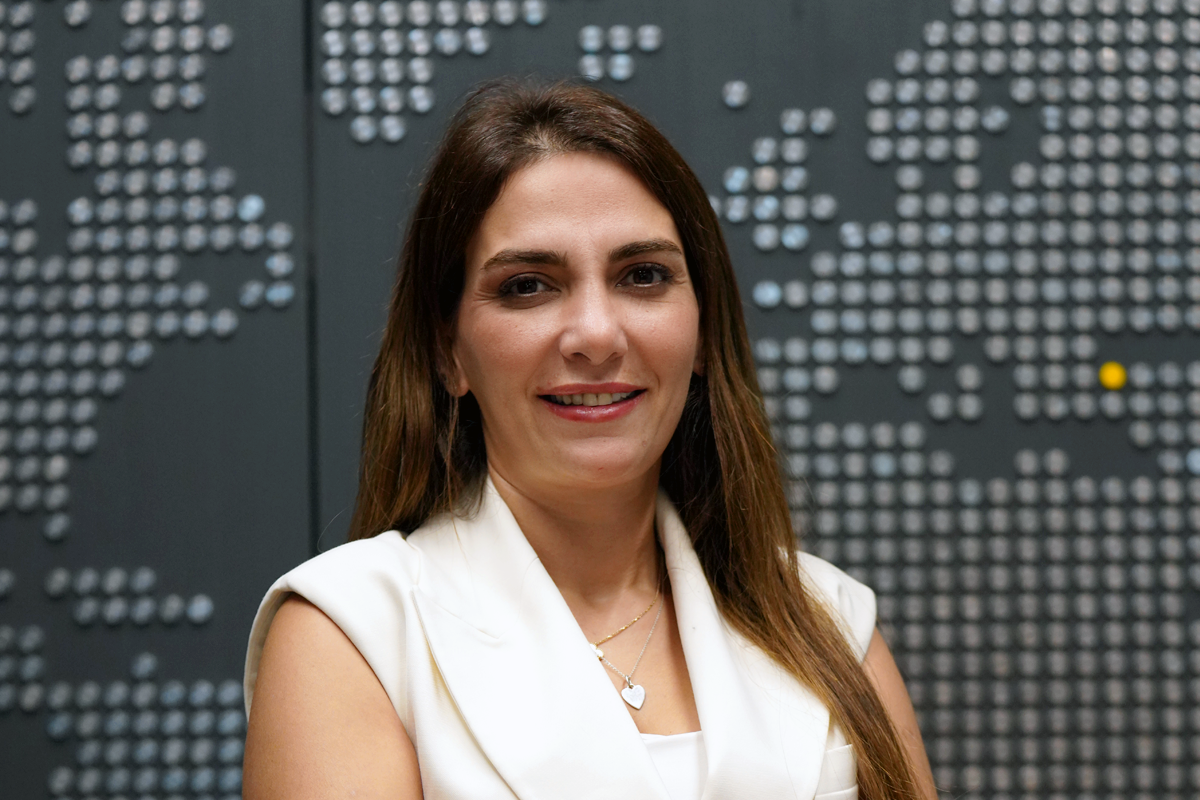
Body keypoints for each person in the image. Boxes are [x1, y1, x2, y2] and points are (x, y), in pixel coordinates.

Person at [242, 78, 938, 800]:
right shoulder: (352, 633)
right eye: (528, 285)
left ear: (704, 331)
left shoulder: (830, 621)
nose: (597, 335)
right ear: (448, 354)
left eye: (643, 276)